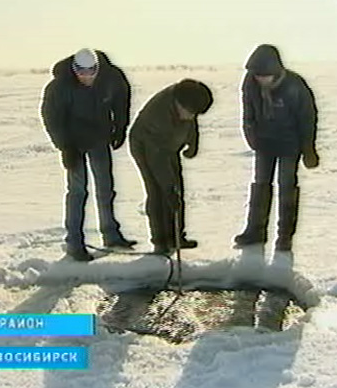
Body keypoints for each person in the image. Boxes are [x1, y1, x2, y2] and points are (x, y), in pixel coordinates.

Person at [40, 48, 135, 262]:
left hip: (99, 138)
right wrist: (65, 147)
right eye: (81, 72)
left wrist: (120, 127)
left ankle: (111, 235)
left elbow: (122, 100)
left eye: (91, 72)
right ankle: (74, 243)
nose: (86, 76)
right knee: (77, 192)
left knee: (105, 188)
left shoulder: (112, 78)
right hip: (72, 142)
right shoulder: (59, 86)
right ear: (74, 69)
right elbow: (51, 118)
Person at [234, 44, 319, 252]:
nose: (260, 79)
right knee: (260, 184)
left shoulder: (295, 86)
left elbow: (308, 119)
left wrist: (308, 149)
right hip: (264, 142)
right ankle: (255, 231)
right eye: (257, 75)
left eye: (264, 76)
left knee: (286, 186)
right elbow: (248, 114)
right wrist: (252, 136)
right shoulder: (250, 83)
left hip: (290, 144)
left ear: (276, 72)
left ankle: (284, 237)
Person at [129, 79, 213, 255]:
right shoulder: (159, 117)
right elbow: (157, 161)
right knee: (158, 192)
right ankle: (160, 241)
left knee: (177, 190)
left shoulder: (188, 100)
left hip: (169, 146)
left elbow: (192, 121)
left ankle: (176, 237)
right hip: (146, 146)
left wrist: (192, 143)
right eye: (190, 113)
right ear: (178, 104)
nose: (192, 117)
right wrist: (168, 189)